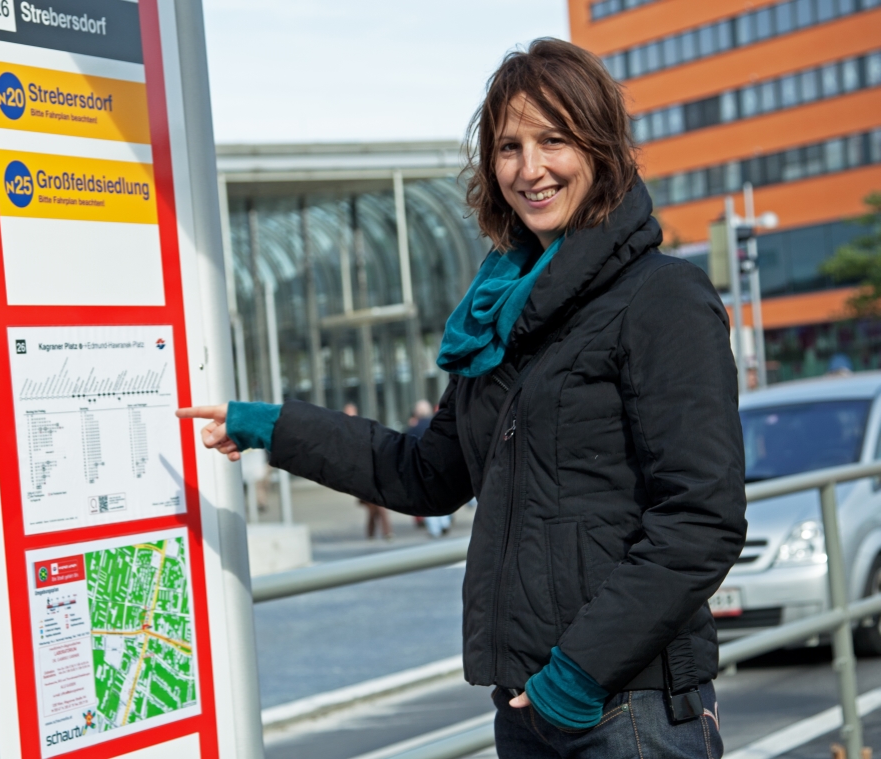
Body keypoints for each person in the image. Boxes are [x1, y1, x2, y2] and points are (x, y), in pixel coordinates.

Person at [180, 38, 744, 757]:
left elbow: (702, 517)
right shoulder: (503, 313)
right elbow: (423, 472)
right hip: (528, 705)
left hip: (626, 710)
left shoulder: (662, 297)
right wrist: (272, 425)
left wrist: (576, 676)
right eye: (509, 146)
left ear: (601, 148)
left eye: (554, 140)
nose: (529, 168)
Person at [345, 403, 393, 540]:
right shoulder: (344, 432)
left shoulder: (362, 427)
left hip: (373, 473)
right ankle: (379, 532)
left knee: (378, 505)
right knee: (375, 506)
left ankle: (380, 532)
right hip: (361, 476)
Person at [407, 400, 451, 537]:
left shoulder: (413, 428)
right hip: (440, 465)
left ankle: (435, 529)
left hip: (422, 468)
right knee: (443, 496)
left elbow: (407, 448)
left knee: (428, 499)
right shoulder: (435, 424)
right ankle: (444, 523)